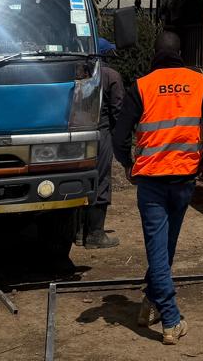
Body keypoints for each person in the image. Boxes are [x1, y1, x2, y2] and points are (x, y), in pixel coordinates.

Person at [112, 31, 203, 345]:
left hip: (151, 181)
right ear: (180, 54)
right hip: (184, 178)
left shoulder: (142, 86)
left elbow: (119, 135)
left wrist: (125, 163)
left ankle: (162, 312)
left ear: (155, 54)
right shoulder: (199, 82)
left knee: (158, 249)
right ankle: (166, 313)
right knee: (166, 246)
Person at [82, 37, 124, 249]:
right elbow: (118, 110)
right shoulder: (111, 75)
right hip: (102, 133)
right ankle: (95, 234)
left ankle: (79, 230)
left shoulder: (80, 73)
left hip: (79, 135)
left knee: (81, 179)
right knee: (101, 180)